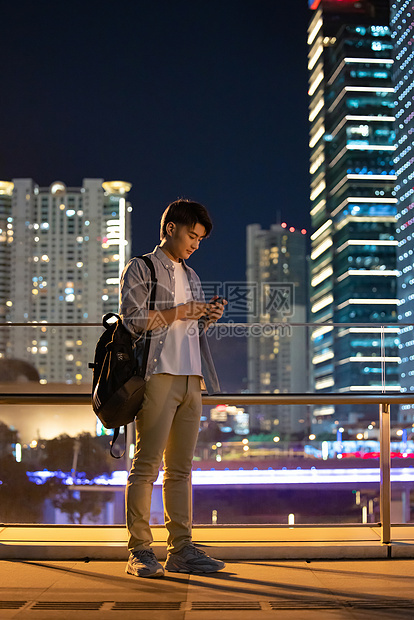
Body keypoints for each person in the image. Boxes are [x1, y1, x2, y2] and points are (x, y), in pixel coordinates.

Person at [119, 199, 226, 578]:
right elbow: (132, 320)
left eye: (200, 239)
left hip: (191, 378)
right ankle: (139, 552)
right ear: (170, 229)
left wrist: (206, 318)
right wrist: (181, 311)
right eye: (191, 235)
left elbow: (190, 332)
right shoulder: (142, 267)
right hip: (157, 376)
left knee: (180, 470)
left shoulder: (192, 276)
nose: (195, 244)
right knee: (145, 467)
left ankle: (180, 549)